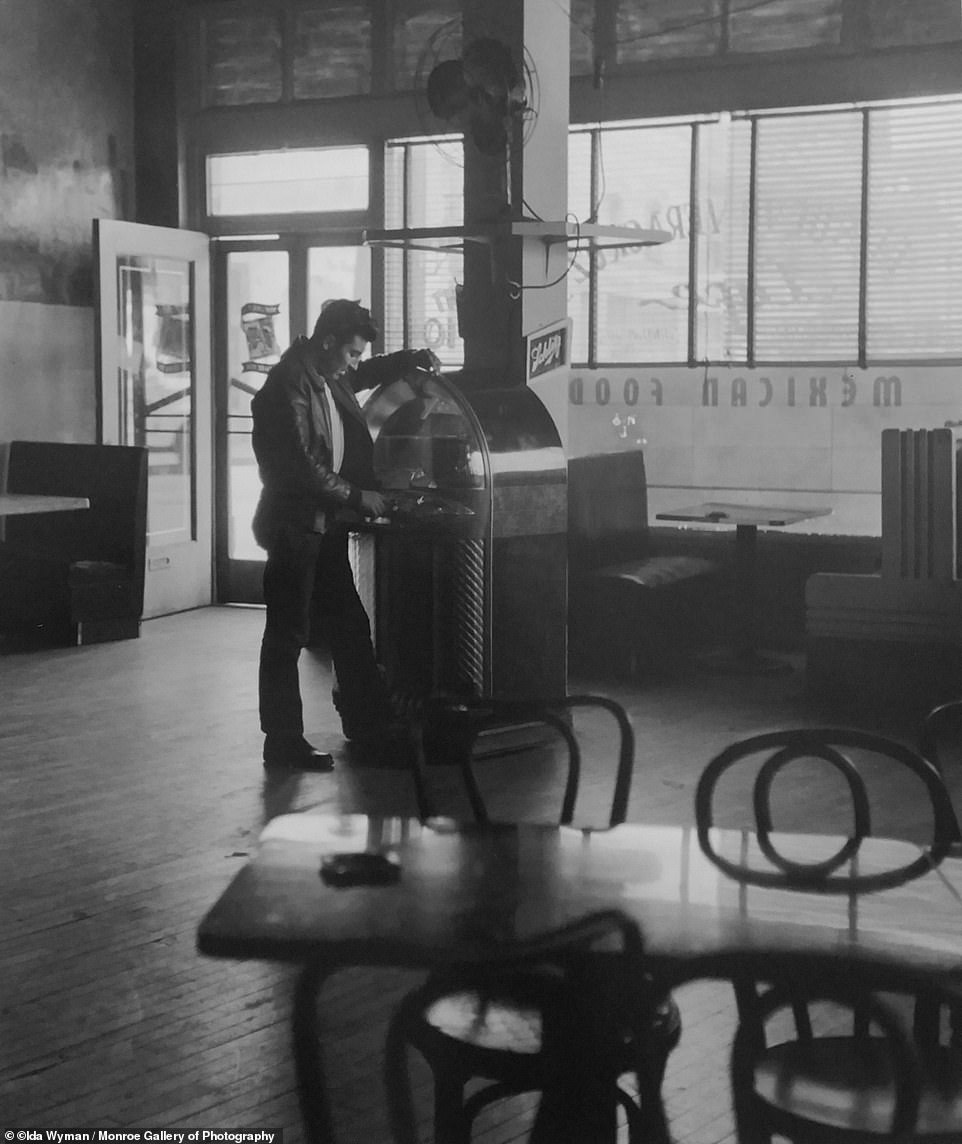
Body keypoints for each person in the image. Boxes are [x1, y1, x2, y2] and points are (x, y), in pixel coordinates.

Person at [250, 298, 440, 771]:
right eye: (351, 353)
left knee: (349, 628)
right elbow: (300, 467)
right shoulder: (289, 387)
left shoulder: (324, 375)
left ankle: (369, 725)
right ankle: (283, 742)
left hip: (322, 525)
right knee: (288, 635)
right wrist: (357, 497)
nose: (354, 364)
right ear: (329, 342)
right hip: (298, 527)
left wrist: (406, 360)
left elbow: (361, 373)